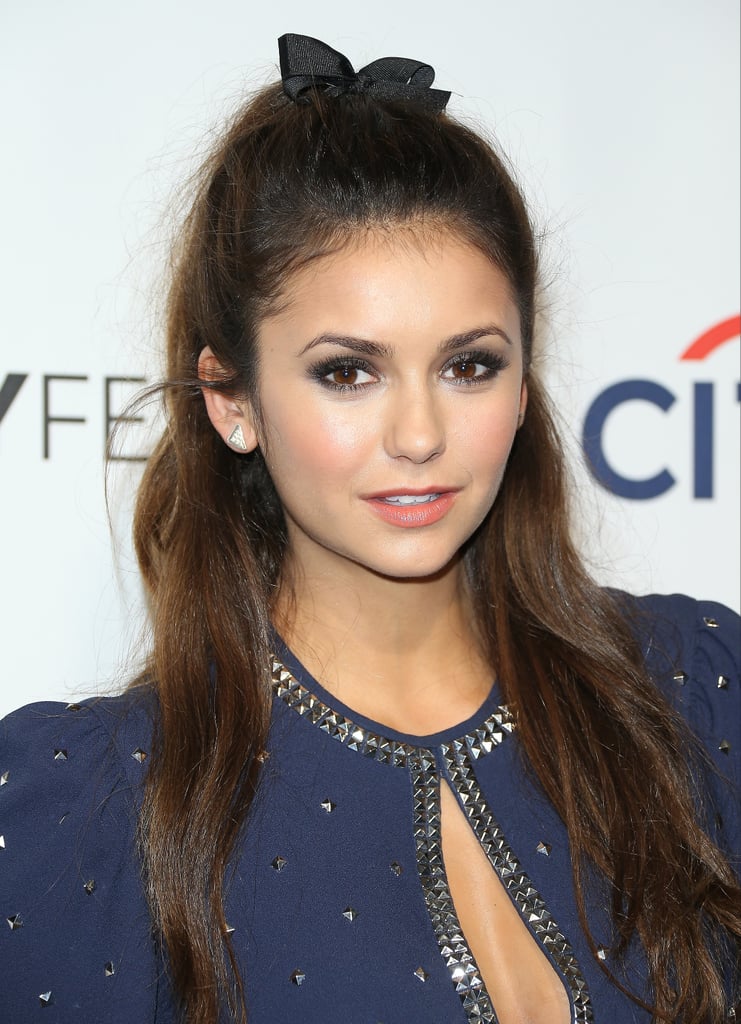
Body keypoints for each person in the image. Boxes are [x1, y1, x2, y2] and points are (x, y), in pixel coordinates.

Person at [0, 33, 738, 1024]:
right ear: (232, 397)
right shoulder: (81, 808)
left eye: (469, 364)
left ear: (524, 384)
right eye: (348, 371)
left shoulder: (693, 691)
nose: (421, 434)